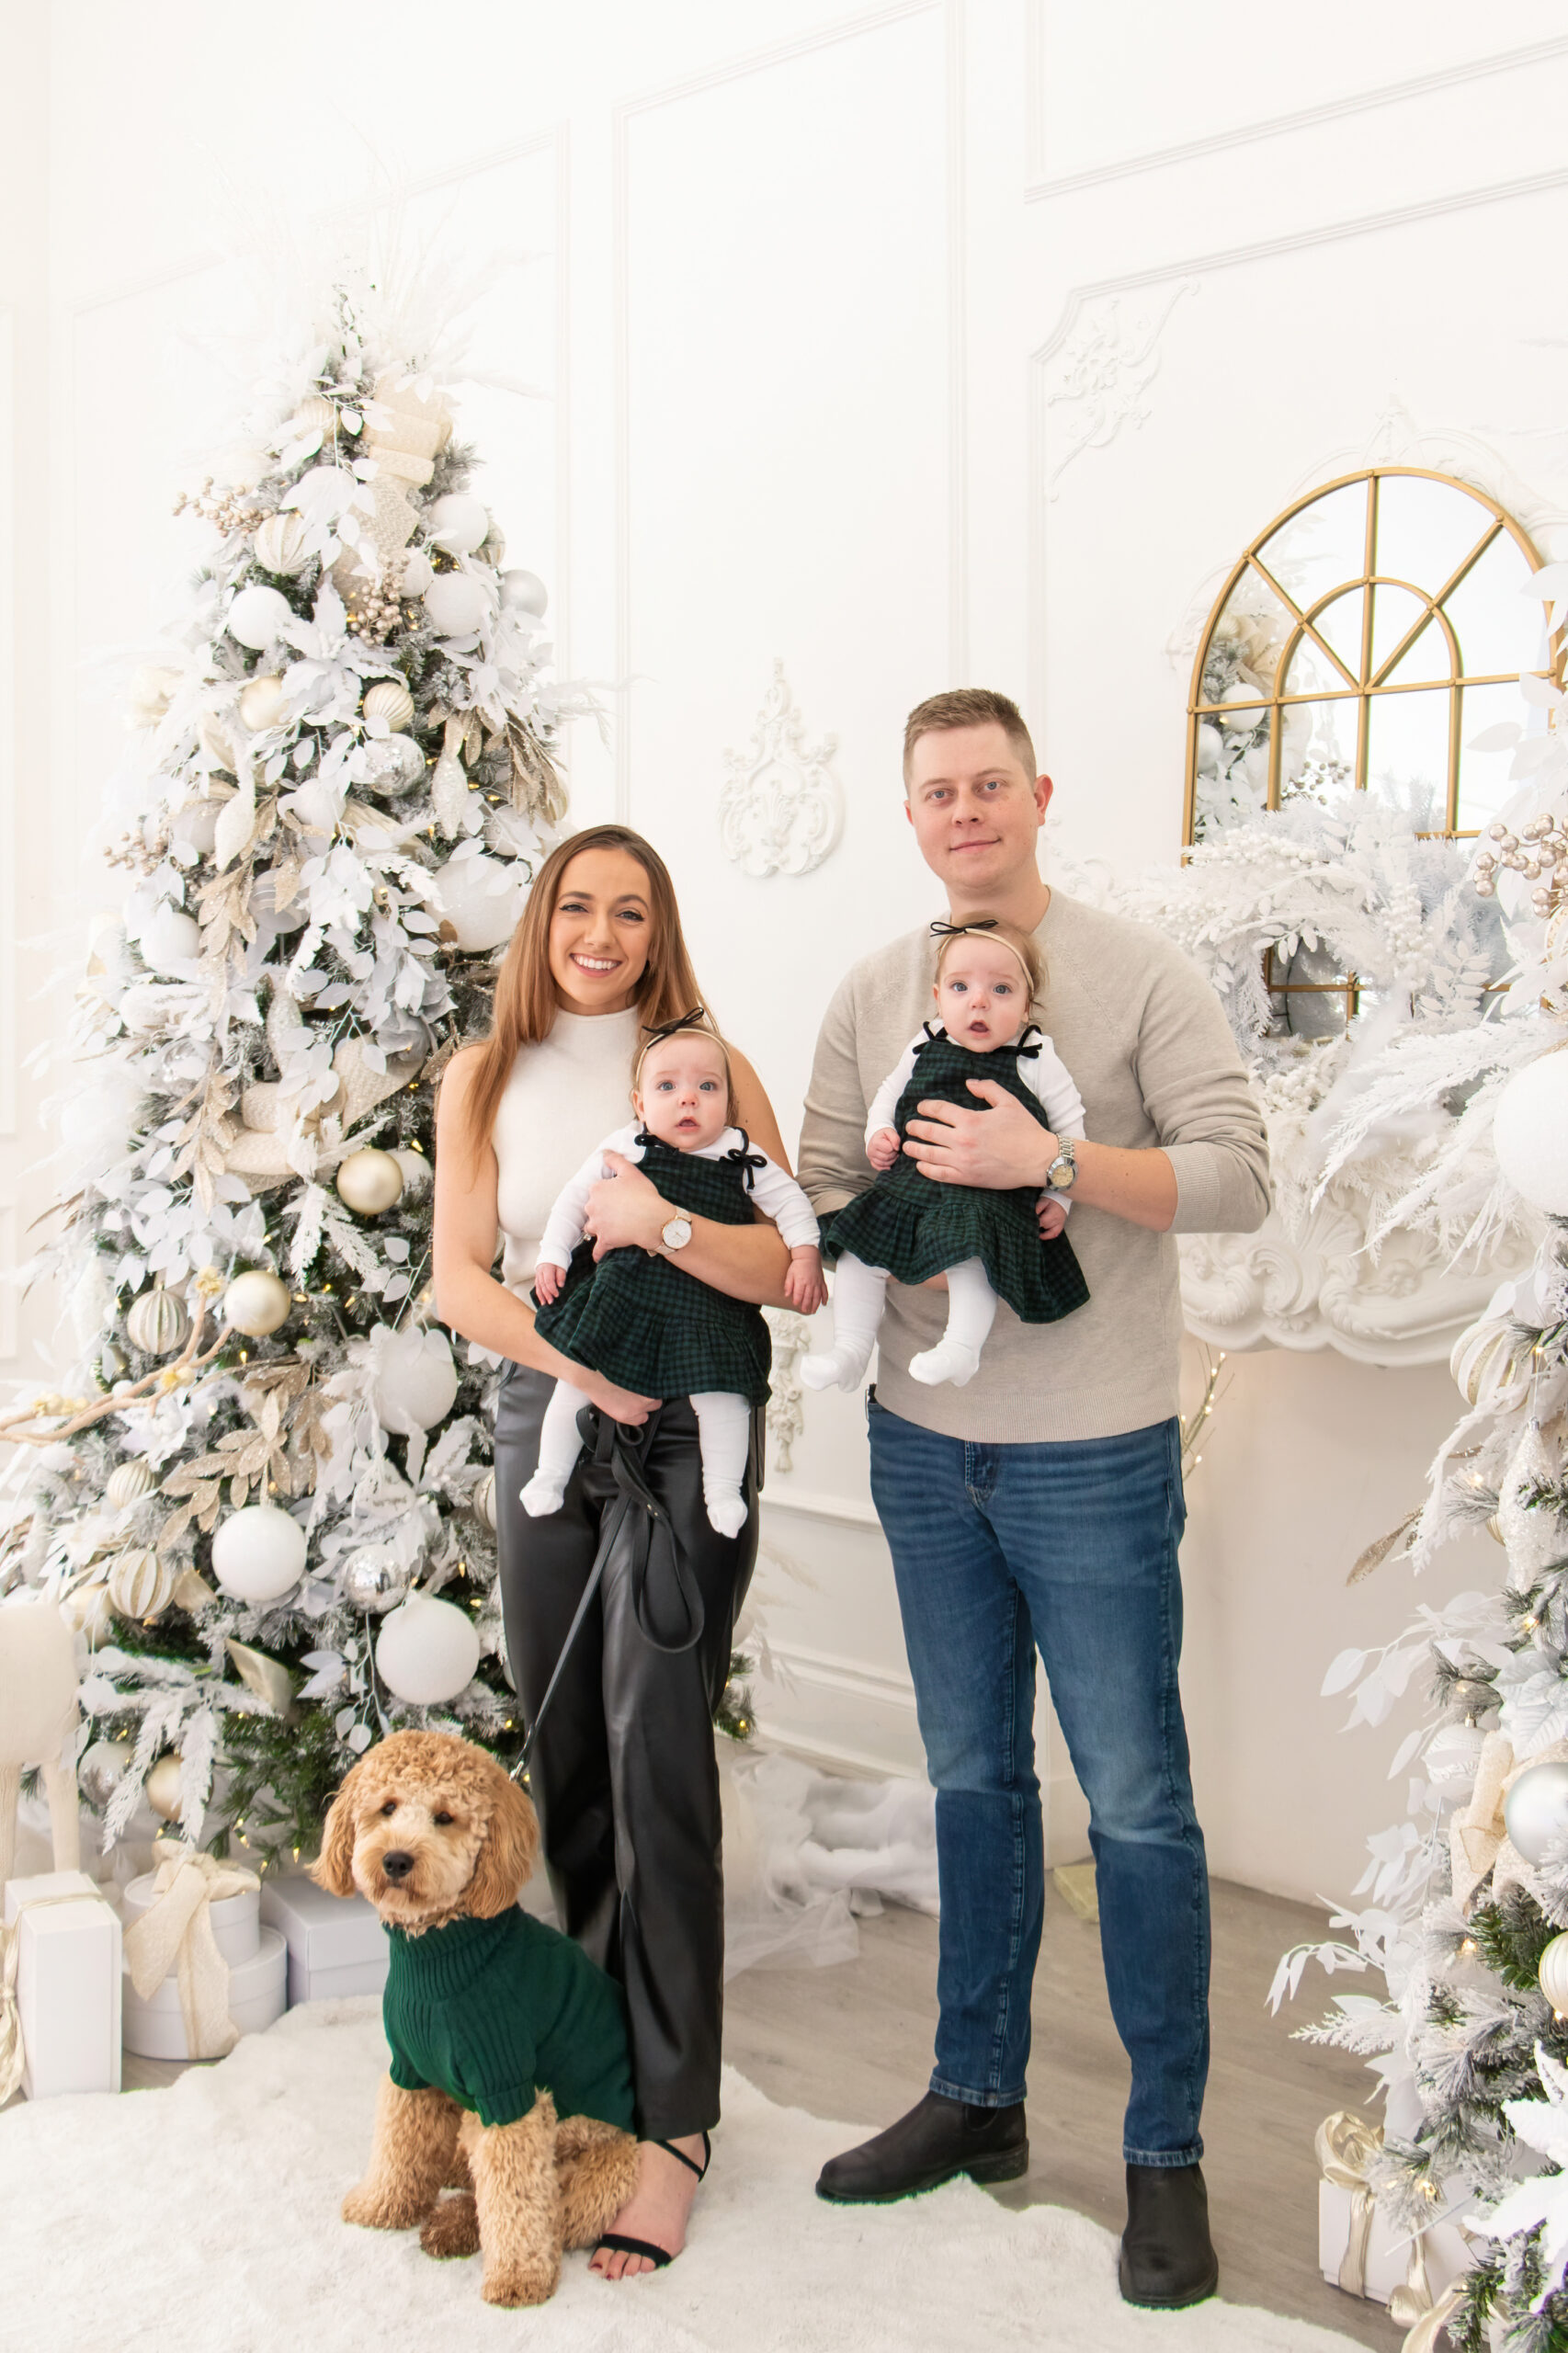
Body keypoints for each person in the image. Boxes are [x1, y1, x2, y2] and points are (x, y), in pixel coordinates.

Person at [797, 689, 1270, 2310]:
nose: (966, 812)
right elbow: (824, 1179)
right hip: (921, 1448)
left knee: (1133, 1803)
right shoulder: (874, 990)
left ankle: (1163, 2156)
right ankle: (974, 2096)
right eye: (938, 791)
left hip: (1093, 1450)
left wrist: (1048, 1167)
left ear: (1038, 795)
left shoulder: (1136, 974)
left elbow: (1237, 1174)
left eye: (989, 784)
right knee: (972, 1783)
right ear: (912, 816)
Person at [433, 823, 797, 2279]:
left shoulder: (704, 1063)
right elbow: (459, 1276)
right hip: (551, 1414)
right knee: (569, 1756)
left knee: (658, 1760)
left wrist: (662, 1230)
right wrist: (574, 1368)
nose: (600, 933)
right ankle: (596, 2078)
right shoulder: (482, 1077)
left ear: (659, 931)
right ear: (542, 923)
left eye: (629, 911)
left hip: (689, 1426)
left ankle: (677, 2128)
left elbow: (782, 1264)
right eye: (577, 907)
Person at [525, 1018, 824, 1533]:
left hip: (706, 1307)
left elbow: (793, 1204)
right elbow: (576, 1198)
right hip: (627, 1293)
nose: (688, 1099)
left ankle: (722, 1491)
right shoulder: (628, 1144)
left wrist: (805, 1254)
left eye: (707, 1087)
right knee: (578, 1378)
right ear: (639, 1104)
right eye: (667, 1087)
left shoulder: (741, 1155)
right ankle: (549, 1474)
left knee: (723, 1393)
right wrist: (553, 1252)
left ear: (728, 1103)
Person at [801, 915, 1087, 1395]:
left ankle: (961, 1347)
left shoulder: (1035, 1055)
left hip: (986, 1199)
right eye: (960, 987)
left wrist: (1060, 1199)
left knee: (971, 1255)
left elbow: (1071, 1135)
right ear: (938, 997)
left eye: (1001, 990)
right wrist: (879, 1133)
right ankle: (850, 1349)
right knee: (856, 1249)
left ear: (1026, 1005)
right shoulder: (927, 1041)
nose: (979, 1001)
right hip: (909, 1188)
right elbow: (889, 1094)